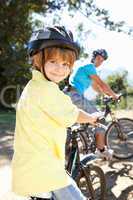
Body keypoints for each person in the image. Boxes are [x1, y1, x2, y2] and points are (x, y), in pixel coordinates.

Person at [11, 26, 98, 200]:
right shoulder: (48, 90)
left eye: (65, 64)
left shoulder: (32, 86)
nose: (60, 68)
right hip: (45, 172)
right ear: (37, 59)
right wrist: (92, 118)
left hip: (28, 169)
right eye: (53, 61)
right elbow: (74, 114)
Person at [67, 49, 118, 160]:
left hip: (73, 94)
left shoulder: (89, 70)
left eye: (102, 60)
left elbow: (97, 87)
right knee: (100, 119)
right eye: (99, 58)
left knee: (89, 118)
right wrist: (114, 95)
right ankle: (101, 150)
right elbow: (102, 84)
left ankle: (86, 140)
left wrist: (104, 95)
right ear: (94, 57)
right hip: (74, 95)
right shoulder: (89, 67)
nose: (100, 61)